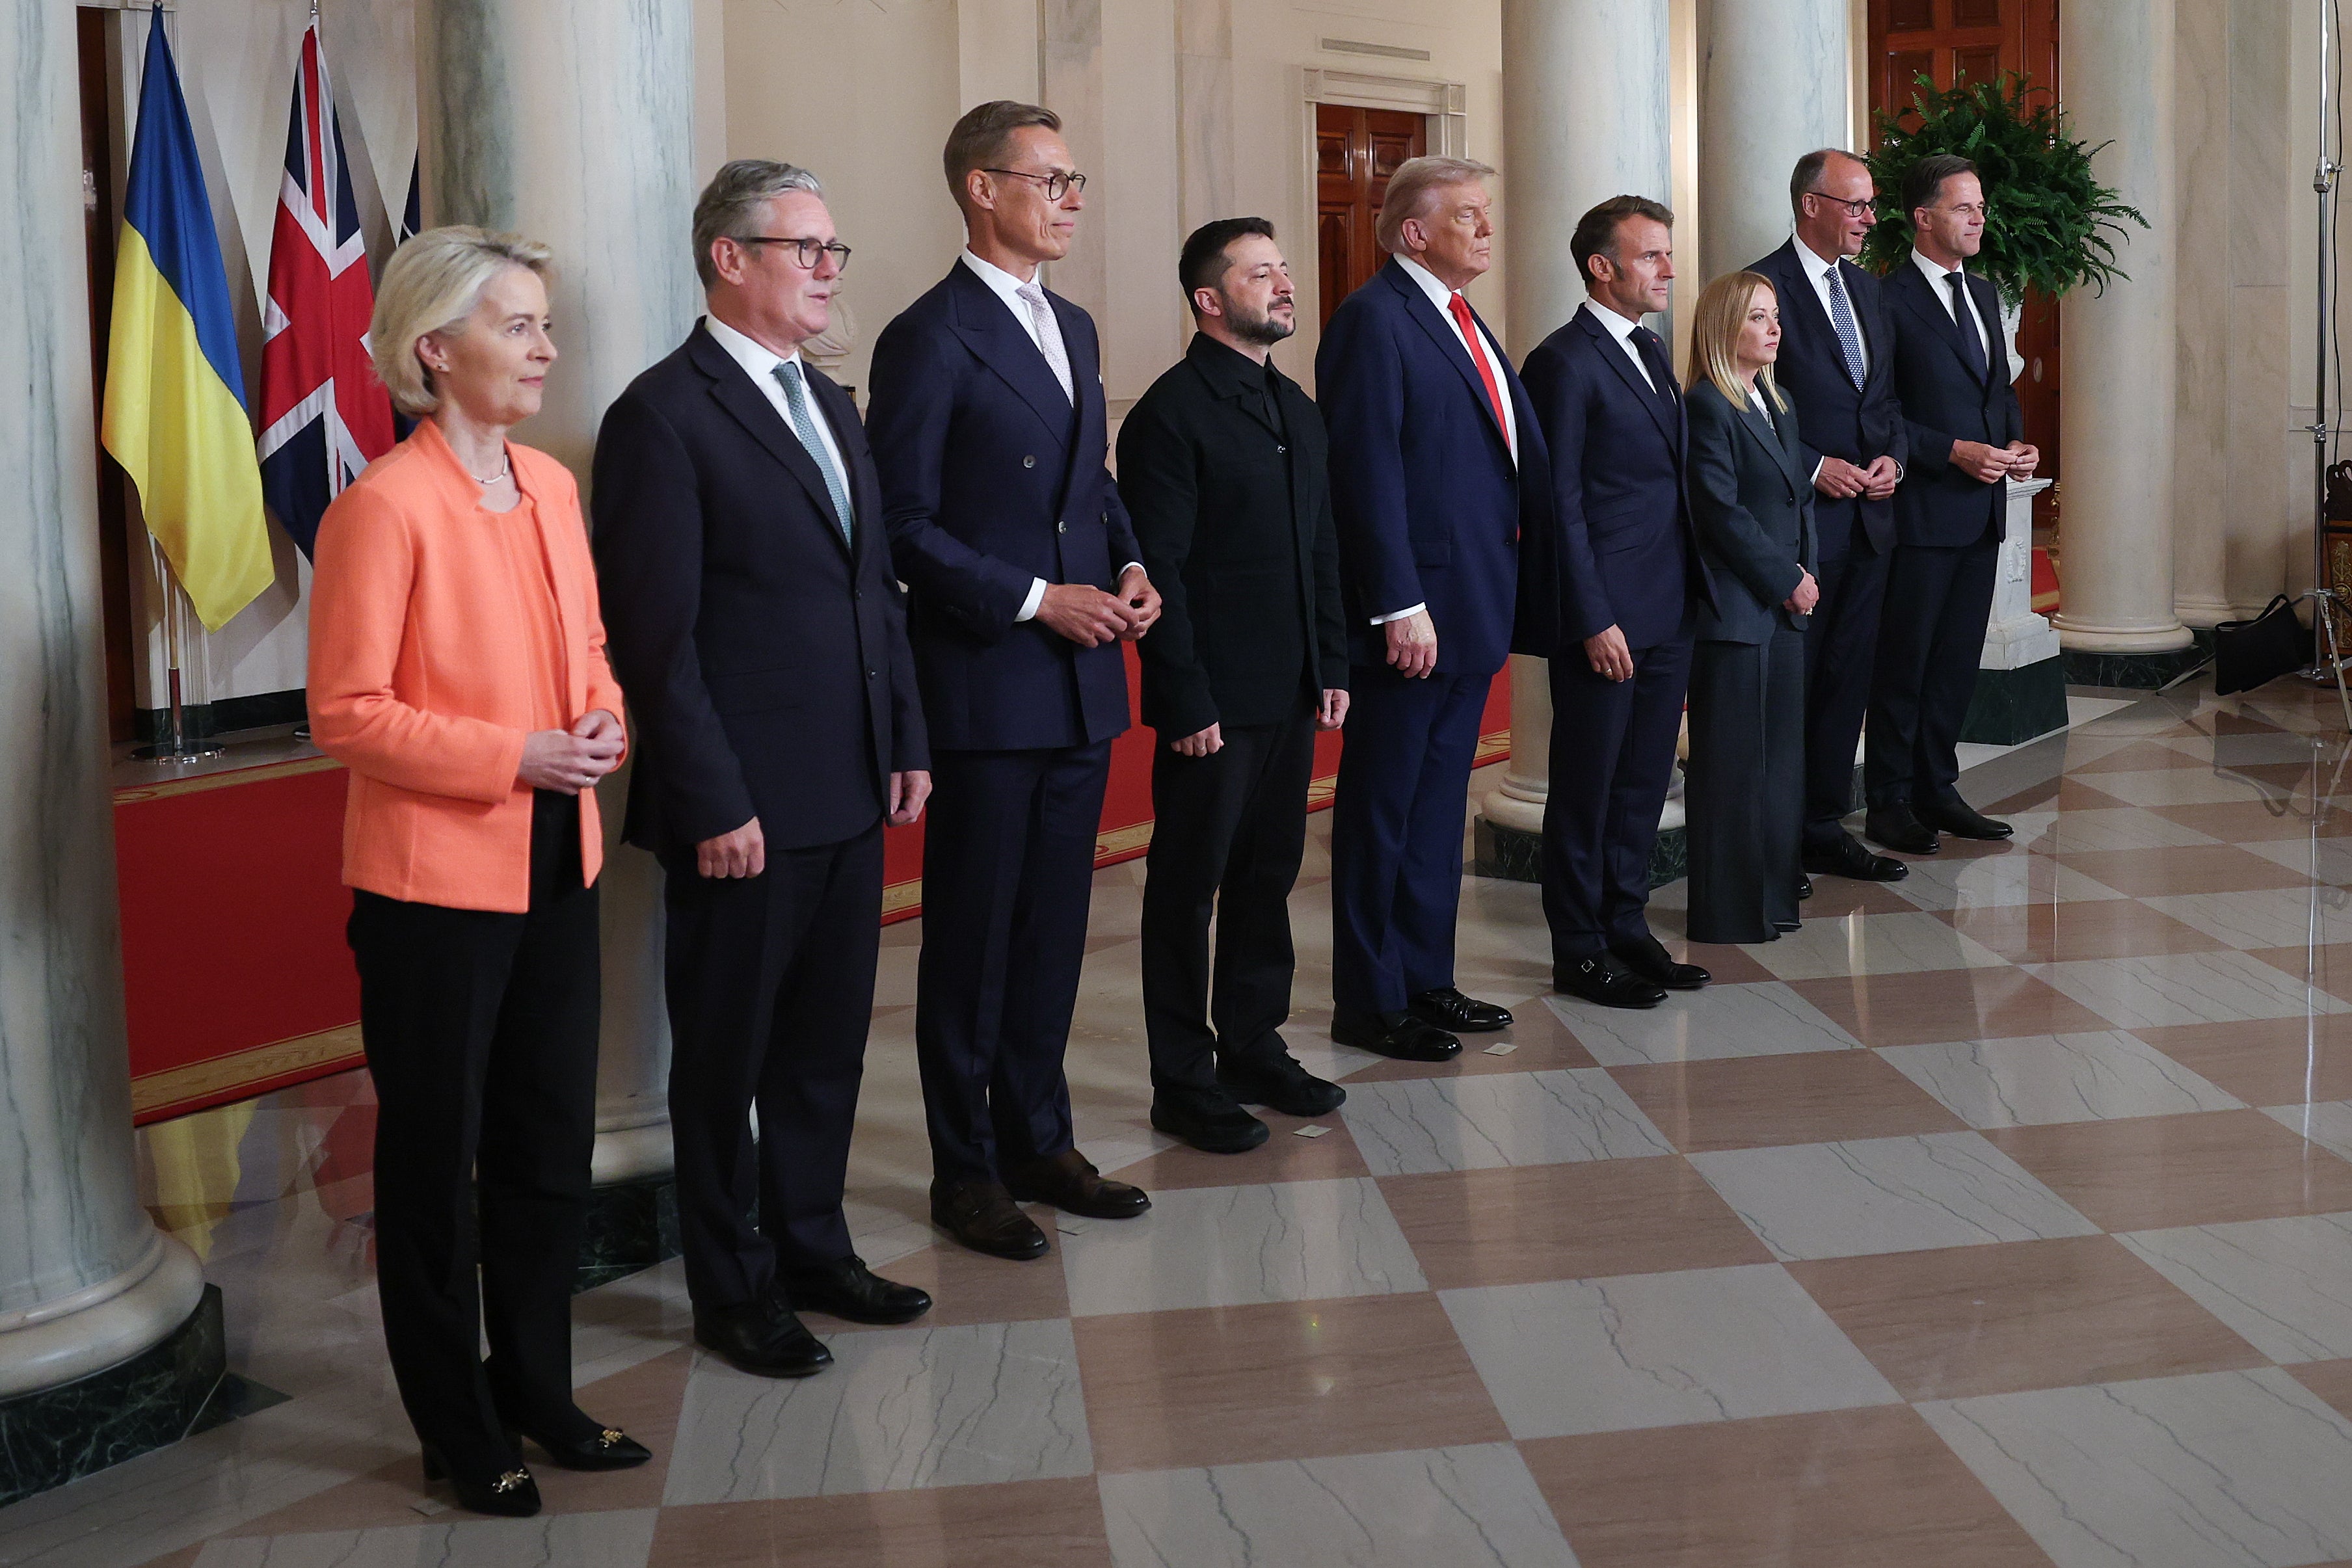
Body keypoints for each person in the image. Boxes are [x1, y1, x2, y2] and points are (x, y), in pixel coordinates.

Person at [308, 226, 646, 1517]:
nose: (547, 347)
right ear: (433, 349)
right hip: (432, 889)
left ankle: (542, 1393)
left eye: (547, 322)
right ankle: (458, 1425)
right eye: (519, 325)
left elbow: (594, 647)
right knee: (437, 1160)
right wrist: (515, 750)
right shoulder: (381, 508)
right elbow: (347, 710)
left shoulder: (554, 487)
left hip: (558, 861)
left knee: (548, 1144)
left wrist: (606, 714)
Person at [592, 161, 934, 1379]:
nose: (829, 272)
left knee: (826, 1045)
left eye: (835, 251)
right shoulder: (661, 415)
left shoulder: (830, 403)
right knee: (727, 1057)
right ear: (729, 258)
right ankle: (732, 1292)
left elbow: (871, 595)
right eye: (808, 249)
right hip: (741, 802)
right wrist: (710, 796)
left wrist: (904, 739)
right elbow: (656, 637)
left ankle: (813, 1247)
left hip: (849, 782)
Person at [867, 101, 1163, 1260]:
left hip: (1082, 680)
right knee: (976, 940)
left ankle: (1041, 1137)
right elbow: (906, 528)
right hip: (992, 677)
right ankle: (966, 1169)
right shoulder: (929, 336)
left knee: (1054, 932)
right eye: (1050, 179)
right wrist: (1040, 598)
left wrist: (1129, 564)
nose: (1070, 200)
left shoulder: (1075, 324)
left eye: (1075, 181)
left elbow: (1089, 485)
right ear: (981, 189)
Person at [1118, 217, 1351, 1154]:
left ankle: (1254, 1044)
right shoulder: (1169, 415)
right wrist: (1184, 699)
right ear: (1210, 299)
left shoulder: (1294, 406)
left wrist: (1331, 662)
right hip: (1213, 701)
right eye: (1262, 273)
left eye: (1284, 269)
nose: (1283, 283)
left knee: (1269, 876)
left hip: (1290, 688)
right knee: (1187, 889)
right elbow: (1157, 570)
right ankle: (1182, 1077)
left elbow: (1321, 548)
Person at [1315, 156, 1543, 1063]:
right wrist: (1397, 602)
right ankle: (1368, 1000)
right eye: (1469, 216)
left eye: (1487, 214)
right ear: (1415, 232)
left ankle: (1425, 976)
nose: (1487, 230)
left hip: (1474, 602)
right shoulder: (1374, 321)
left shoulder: (1459, 315)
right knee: (1383, 808)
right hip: (1414, 615)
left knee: (1438, 804)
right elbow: (1364, 471)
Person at [1521, 196, 1718, 1010]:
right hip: (1604, 614)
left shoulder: (1649, 348)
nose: (1668, 270)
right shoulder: (1562, 362)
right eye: (1651, 257)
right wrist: (1591, 615)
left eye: (1667, 255)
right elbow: (1556, 502)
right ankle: (1578, 947)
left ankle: (1626, 923)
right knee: (1587, 783)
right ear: (1601, 267)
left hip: (1668, 606)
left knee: (1642, 781)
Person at [1744, 150, 1910, 885]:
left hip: (1872, 521)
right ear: (1810, 204)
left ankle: (1822, 824)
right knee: (1795, 684)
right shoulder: (1761, 288)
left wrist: (1895, 460)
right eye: (1856, 206)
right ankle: (1774, 836)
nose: (1869, 220)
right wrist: (1813, 465)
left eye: (1870, 206)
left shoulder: (1869, 292)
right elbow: (1742, 403)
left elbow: (1887, 401)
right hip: (1801, 524)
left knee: (1847, 679)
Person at [1867, 153, 2037, 853]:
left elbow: (1996, 390)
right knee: (1905, 662)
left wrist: (2017, 442)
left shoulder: (1985, 289)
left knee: (1955, 662)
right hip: (1922, 508)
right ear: (1924, 216)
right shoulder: (1885, 299)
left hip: (1981, 509)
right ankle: (1888, 801)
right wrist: (1953, 452)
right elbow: (1880, 414)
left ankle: (1938, 788)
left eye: (1979, 206)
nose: (1979, 218)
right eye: (1964, 207)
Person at [1681, 272, 1818, 943]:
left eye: (1775, 317)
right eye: (1758, 317)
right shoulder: (1709, 405)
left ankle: (1771, 899)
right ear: (1723, 328)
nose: (1773, 329)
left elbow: (1800, 500)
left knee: (1779, 763)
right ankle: (1727, 911)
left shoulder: (1779, 401)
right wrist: (1783, 578)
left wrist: (1807, 574)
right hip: (1736, 611)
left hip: (1786, 606)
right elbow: (1719, 513)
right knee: (1734, 767)